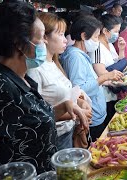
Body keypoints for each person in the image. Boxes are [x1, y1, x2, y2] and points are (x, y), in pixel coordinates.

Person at [0, 2, 87, 174]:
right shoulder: (0, 86)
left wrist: (62, 107)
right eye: (42, 37)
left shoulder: (24, 77)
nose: (45, 42)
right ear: (20, 44)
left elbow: (27, 123)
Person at [27, 12, 92, 150]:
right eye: (61, 34)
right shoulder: (35, 69)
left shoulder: (55, 63)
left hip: (66, 133)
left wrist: (79, 102)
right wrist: (75, 113)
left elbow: (63, 94)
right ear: (44, 37)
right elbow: (36, 115)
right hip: (54, 137)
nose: (65, 40)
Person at [60, 15, 122, 141]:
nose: (97, 41)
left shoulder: (79, 54)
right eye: (95, 37)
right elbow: (80, 90)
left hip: (96, 115)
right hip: (91, 118)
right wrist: (104, 77)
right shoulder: (75, 58)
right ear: (83, 36)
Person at [90, 14, 126, 124]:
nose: (117, 34)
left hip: (112, 93)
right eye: (116, 31)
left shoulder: (109, 44)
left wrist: (121, 50)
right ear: (105, 30)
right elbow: (101, 74)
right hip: (104, 96)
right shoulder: (96, 48)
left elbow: (118, 63)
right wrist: (117, 82)